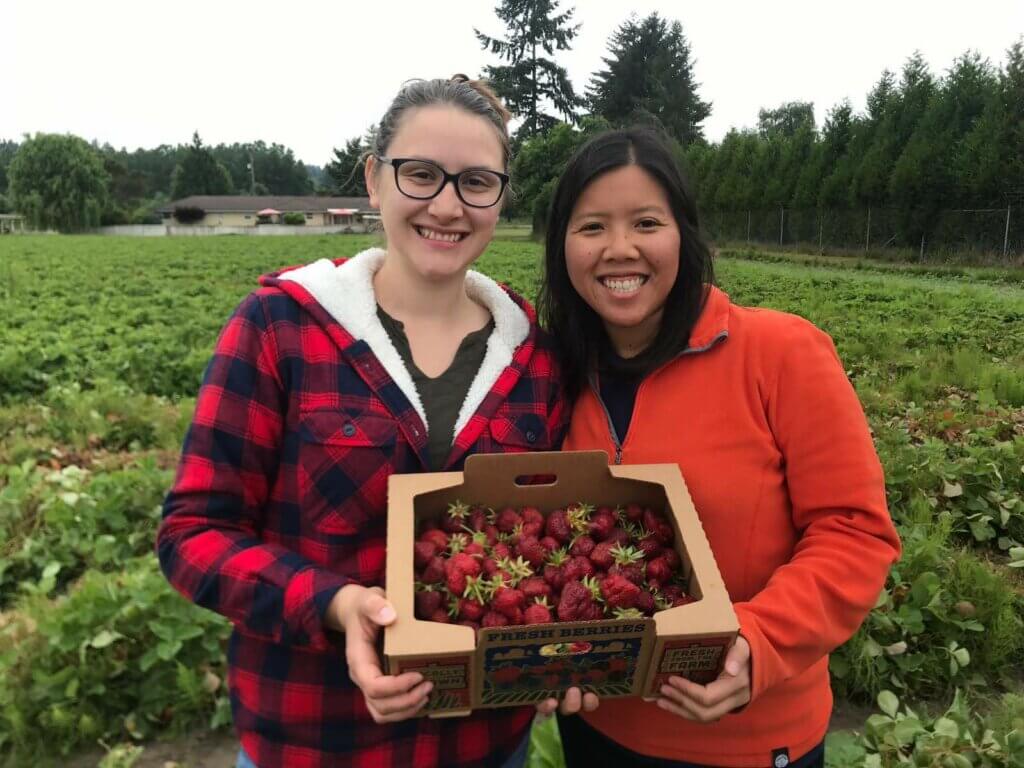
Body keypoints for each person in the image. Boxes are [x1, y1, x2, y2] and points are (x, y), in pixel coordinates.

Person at [157, 75, 568, 768]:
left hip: (484, 742)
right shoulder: (281, 327)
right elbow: (193, 534)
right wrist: (335, 603)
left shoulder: (534, 357)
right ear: (375, 180)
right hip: (313, 738)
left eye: (476, 182)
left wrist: (564, 648)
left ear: (500, 198)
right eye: (420, 174)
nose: (447, 204)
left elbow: (554, 538)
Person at [536, 128, 901, 767]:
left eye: (646, 222)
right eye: (591, 226)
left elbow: (854, 532)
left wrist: (757, 642)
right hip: (598, 727)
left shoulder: (780, 354)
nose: (619, 249)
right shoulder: (552, 371)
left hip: (749, 734)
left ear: (685, 234)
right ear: (562, 246)